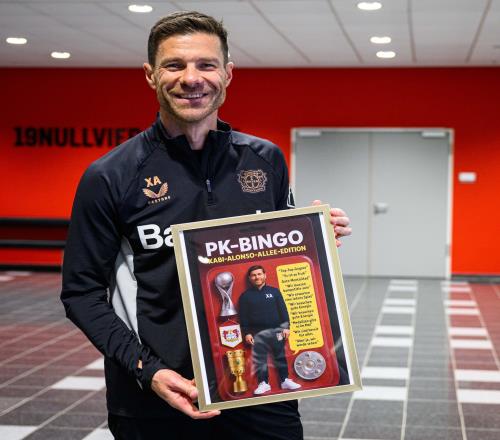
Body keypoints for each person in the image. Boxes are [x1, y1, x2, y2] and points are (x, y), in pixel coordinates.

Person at [60, 10, 351, 440]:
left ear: (227, 74)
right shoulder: (111, 176)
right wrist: (147, 370)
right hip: (158, 395)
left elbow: (276, 264)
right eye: (174, 65)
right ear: (150, 75)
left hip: (260, 393)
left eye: (206, 64)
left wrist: (312, 239)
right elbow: (81, 293)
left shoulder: (265, 161)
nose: (191, 78)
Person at [239, 265, 301, 395]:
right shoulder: (245, 296)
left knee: (280, 356)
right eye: (253, 275)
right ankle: (263, 383)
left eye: (259, 274)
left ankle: (285, 380)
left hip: (277, 332)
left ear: (264, 275)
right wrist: (247, 333)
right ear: (250, 278)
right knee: (260, 359)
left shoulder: (274, 292)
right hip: (257, 334)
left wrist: (286, 327)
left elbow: (283, 311)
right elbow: (243, 317)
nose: (257, 277)